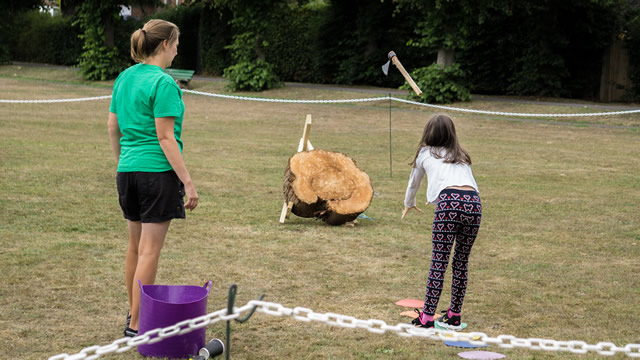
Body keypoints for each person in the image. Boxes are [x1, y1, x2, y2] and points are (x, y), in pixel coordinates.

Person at [107, 19, 198, 337]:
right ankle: (136, 324)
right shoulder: (165, 84)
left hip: (128, 173)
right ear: (164, 45)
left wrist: (124, 164)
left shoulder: (124, 78)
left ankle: (134, 313)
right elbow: (165, 138)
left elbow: (112, 128)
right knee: (148, 251)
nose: (177, 49)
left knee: (135, 248)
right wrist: (187, 181)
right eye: (176, 43)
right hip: (156, 176)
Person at [401, 114, 481, 330]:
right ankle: (455, 315)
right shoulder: (460, 154)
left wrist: (409, 203)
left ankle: (427, 317)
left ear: (428, 132)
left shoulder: (425, 152)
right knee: (461, 261)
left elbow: (413, 182)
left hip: (449, 203)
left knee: (439, 260)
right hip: (474, 203)